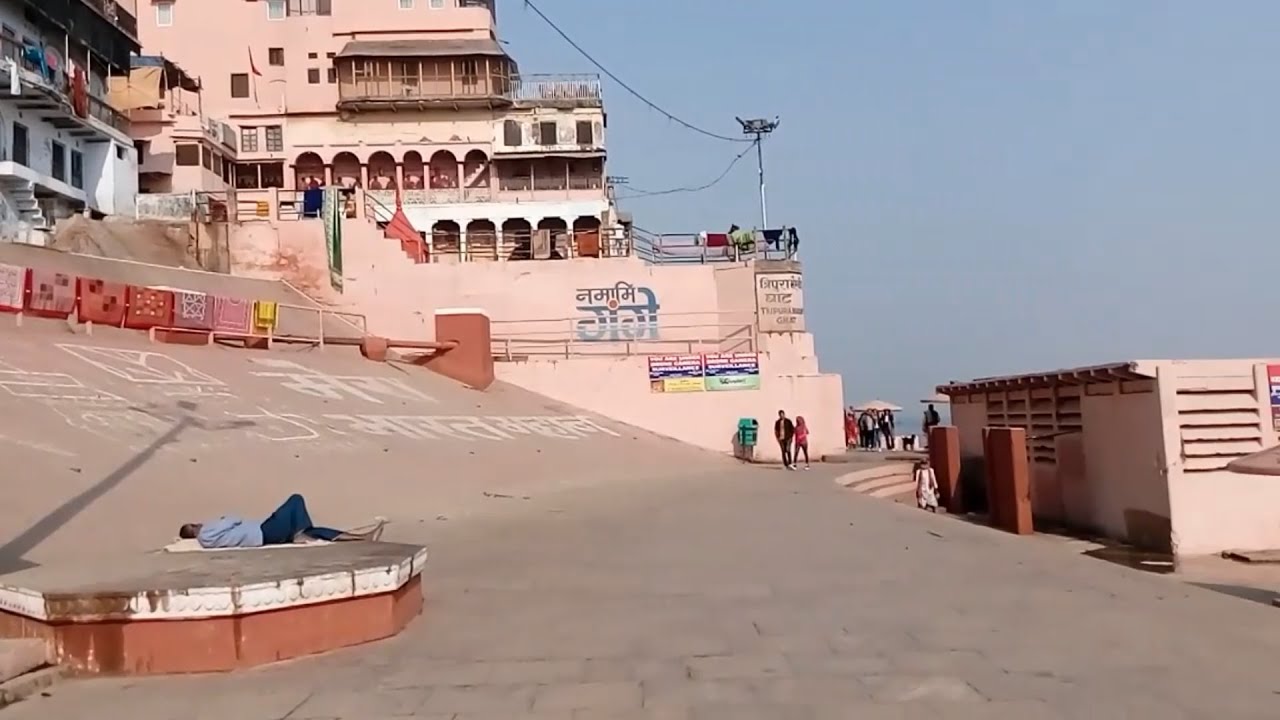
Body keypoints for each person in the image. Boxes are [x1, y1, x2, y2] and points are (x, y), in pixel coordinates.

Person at [178, 494, 384, 549]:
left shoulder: (207, 540)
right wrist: (223, 519)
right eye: (194, 524)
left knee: (312, 530)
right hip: (264, 531)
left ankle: (359, 539)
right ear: (193, 529)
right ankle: (300, 534)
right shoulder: (207, 532)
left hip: (264, 535)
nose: (198, 524)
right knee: (296, 499)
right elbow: (234, 519)